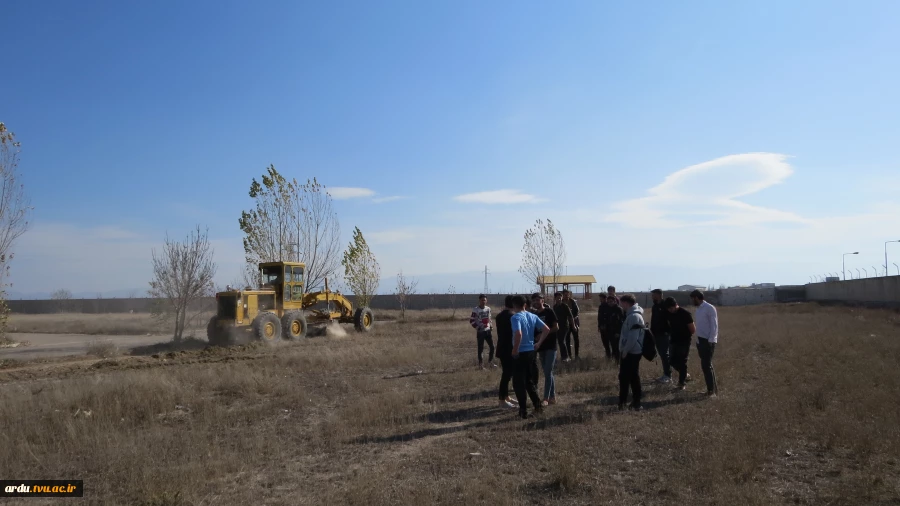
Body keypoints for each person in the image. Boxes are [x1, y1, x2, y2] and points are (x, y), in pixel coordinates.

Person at [511, 295, 550, 419]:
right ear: (525, 305)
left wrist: (515, 350)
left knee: (518, 383)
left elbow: (518, 333)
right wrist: (538, 343)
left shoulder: (515, 317)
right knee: (529, 381)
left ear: (514, 305)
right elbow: (546, 329)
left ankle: (523, 411)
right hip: (531, 351)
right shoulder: (533, 316)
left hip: (520, 352)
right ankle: (537, 405)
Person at [531, 293, 559, 406]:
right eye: (534, 300)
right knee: (548, 372)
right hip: (540, 347)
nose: (536, 302)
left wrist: (543, 334)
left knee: (548, 372)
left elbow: (556, 327)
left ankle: (546, 398)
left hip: (551, 346)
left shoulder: (549, 311)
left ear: (543, 300)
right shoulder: (533, 314)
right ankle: (552, 397)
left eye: (538, 300)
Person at [618, 294, 645, 411]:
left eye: (621, 303)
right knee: (631, 377)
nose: (620, 305)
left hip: (631, 352)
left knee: (626, 378)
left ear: (626, 303)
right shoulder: (631, 315)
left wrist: (625, 351)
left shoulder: (634, 316)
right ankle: (634, 402)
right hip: (631, 351)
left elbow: (633, 337)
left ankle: (626, 403)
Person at [691, 290, 719, 397]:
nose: (692, 301)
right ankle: (711, 390)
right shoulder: (698, 309)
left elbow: (714, 326)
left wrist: (711, 341)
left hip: (707, 341)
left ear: (697, 298)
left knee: (706, 365)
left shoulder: (709, 308)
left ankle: (711, 391)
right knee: (706, 365)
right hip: (700, 341)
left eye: (693, 298)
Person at [664, 297, 695, 390]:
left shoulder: (685, 314)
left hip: (684, 341)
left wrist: (684, 335)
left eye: (671, 308)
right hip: (674, 340)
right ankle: (684, 374)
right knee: (671, 361)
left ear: (675, 305)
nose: (670, 310)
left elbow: (693, 330)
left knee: (682, 361)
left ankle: (681, 383)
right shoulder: (669, 314)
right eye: (668, 309)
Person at [494, 296, 519, 409]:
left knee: (507, 374)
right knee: (507, 375)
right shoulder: (512, 316)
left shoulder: (500, 316)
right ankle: (501, 400)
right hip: (509, 348)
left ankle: (506, 397)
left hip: (502, 348)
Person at [650, 289, 672, 384]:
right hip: (656, 334)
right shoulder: (655, 306)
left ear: (659, 295)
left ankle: (668, 375)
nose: (652, 297)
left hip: (664, 334)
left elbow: (670, 320)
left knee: (664, 354)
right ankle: (666, 374)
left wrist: (668, 331)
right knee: (662, 354)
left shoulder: (665, 306)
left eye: (654, 295)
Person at [469, 294, 495, 369]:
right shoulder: (476, 309)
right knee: (480, 348)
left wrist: (491, 326)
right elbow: (471, 320)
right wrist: (477, 327)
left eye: (484, 300)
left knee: (492, 346)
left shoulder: (488, 309)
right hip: (480, 332)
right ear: (479, 300)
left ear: (486, 300)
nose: (483, 301)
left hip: (488, 330)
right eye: (482, 300)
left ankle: (490, 362)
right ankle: (481, 366)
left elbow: (489, 318)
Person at [552, 292, 575, 362]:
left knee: (561, 341)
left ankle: (565, 357)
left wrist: (573, 326)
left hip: (565, 326)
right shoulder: (555, 307)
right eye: (557, 298)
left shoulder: (565, 306)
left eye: (560, 298)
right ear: (555, 298)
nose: (559, 299)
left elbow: (571, 317)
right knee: (559, 341)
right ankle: (561, 356)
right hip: (557, 326)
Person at [603, 295, 625, 364]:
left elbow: (622, 322)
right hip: (609, 331)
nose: (610, 303)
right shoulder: (607, 309)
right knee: (612, 347)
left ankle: (618, 362)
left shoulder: (619, 309)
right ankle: (615, 361)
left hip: (617, 332)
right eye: (608, 302)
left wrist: (618, 332)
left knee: (617, 348)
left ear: (615, 301)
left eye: (611, 302)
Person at [563, 290, 581, 359]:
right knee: (567, 340)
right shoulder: (561, 302)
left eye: (568, 294)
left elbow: (577, 312)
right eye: (565, 295)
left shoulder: (573, 302)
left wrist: (573, 319)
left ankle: (577, 355)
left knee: (576, 339)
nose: (566, 296)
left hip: (574, 322)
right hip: (566, 324)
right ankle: (569, 355)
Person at [596, 293, 612, 358]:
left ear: (605, 299)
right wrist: (599, 326)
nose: (600, 300)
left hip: (608, 327)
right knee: (604, 342)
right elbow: (599, 317)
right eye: (600, 299)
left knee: (610, 341)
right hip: (602, 327)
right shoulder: (601, 306)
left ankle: (612, 355)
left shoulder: (608, 306)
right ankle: (608, 354)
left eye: (602, 298)